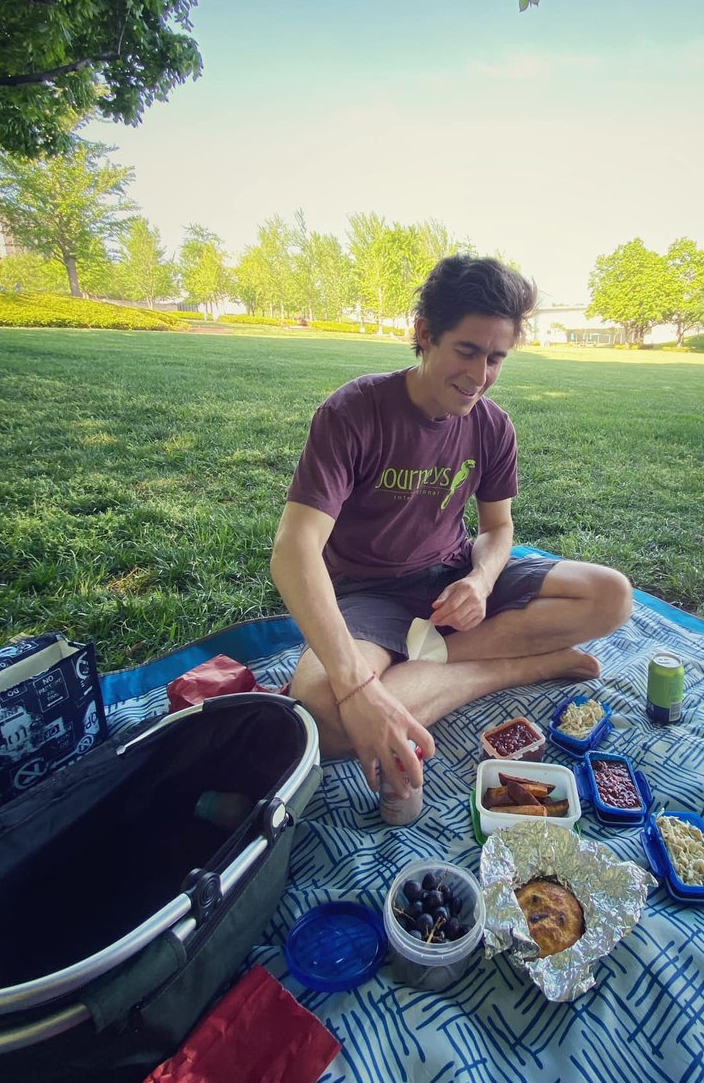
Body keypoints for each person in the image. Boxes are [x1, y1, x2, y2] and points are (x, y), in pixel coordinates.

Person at [271, 255, 633, 795]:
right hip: (369, 594)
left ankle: (421, 663)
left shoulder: (492, 426)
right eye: (467, 351)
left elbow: (498, 529)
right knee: (321, 711)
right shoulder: (354, 412)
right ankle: (511, 667)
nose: (479, 376)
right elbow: (294, 550)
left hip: (452, 576)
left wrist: (480, 582)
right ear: (424, 334)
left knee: (611, 596)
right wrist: (354, 689)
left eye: (496, 358)